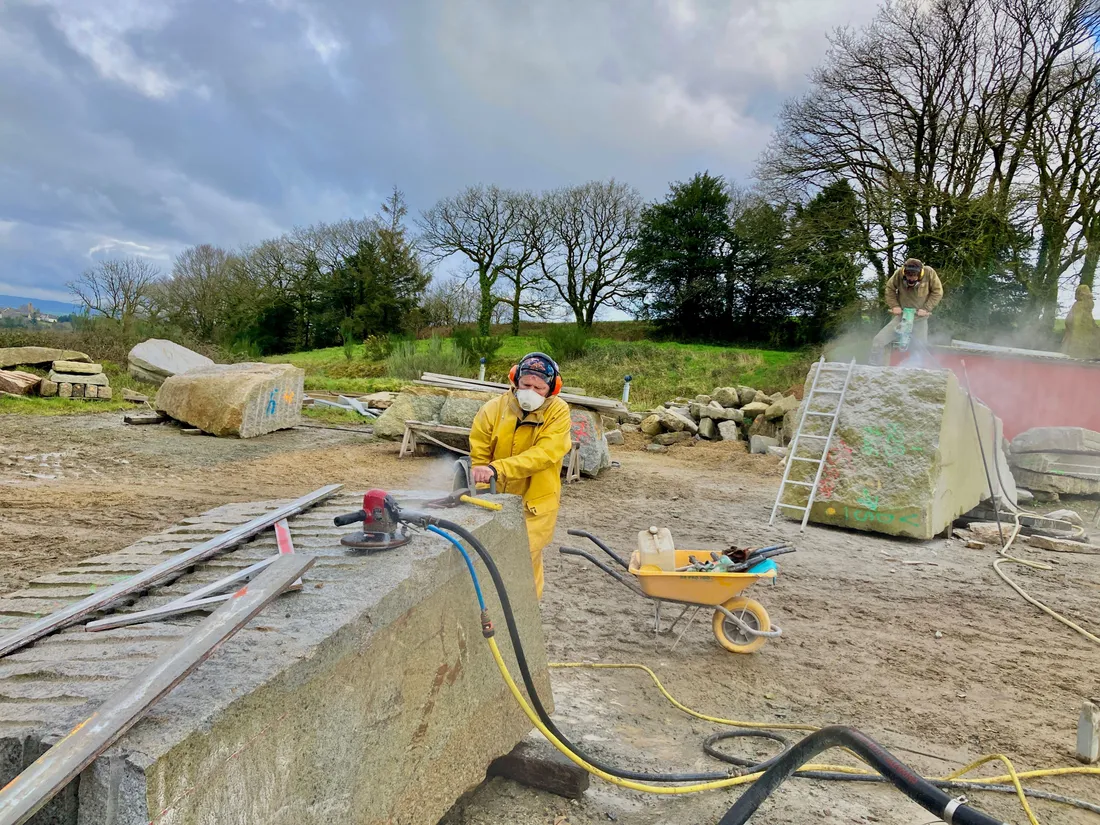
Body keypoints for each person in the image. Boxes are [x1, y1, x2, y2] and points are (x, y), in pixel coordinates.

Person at [469, 352, 573, 599]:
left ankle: (528, 611)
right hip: (494, 500)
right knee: (488, 559)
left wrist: (498, 469)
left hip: (535, 504)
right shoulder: (492, 409)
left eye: (539, 388)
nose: (531, 392)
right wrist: (481, 494)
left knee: (525, 563)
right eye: (526, 385)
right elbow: (479, 456)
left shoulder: (558, 412)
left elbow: (544, 454)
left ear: (552, 389)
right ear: (515, 380)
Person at [869, 257, 944, 365]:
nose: (911, 279)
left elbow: (937, 292)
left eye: (914, 276)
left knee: (920, 349)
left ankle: (917, 370)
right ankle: (873, 366)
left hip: (920, 319)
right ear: (905, 272)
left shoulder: (929, 273)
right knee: (878, 341)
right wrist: (894, 306)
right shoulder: (899, 273)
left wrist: (926, 308)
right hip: (901, 318)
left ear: (920, 273)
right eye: (908, 276)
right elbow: (890, 288)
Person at [1061, 284, 1100, 360]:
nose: (1091, 301)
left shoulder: (1085, 310)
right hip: (1076, 348)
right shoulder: (1080, 307)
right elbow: (1074, 325)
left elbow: (1091, 326)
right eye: (1089, 297)